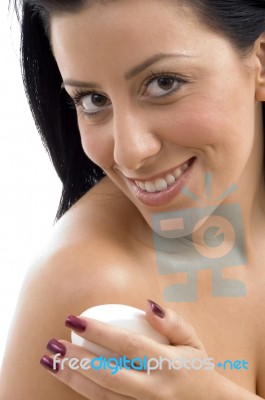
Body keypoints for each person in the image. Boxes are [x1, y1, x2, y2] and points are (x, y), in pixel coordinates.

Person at [1, 0, 265, 398]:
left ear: (260, 60)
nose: (128, 153)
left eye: (163, 83)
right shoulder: (89, 289)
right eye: (92, 99)